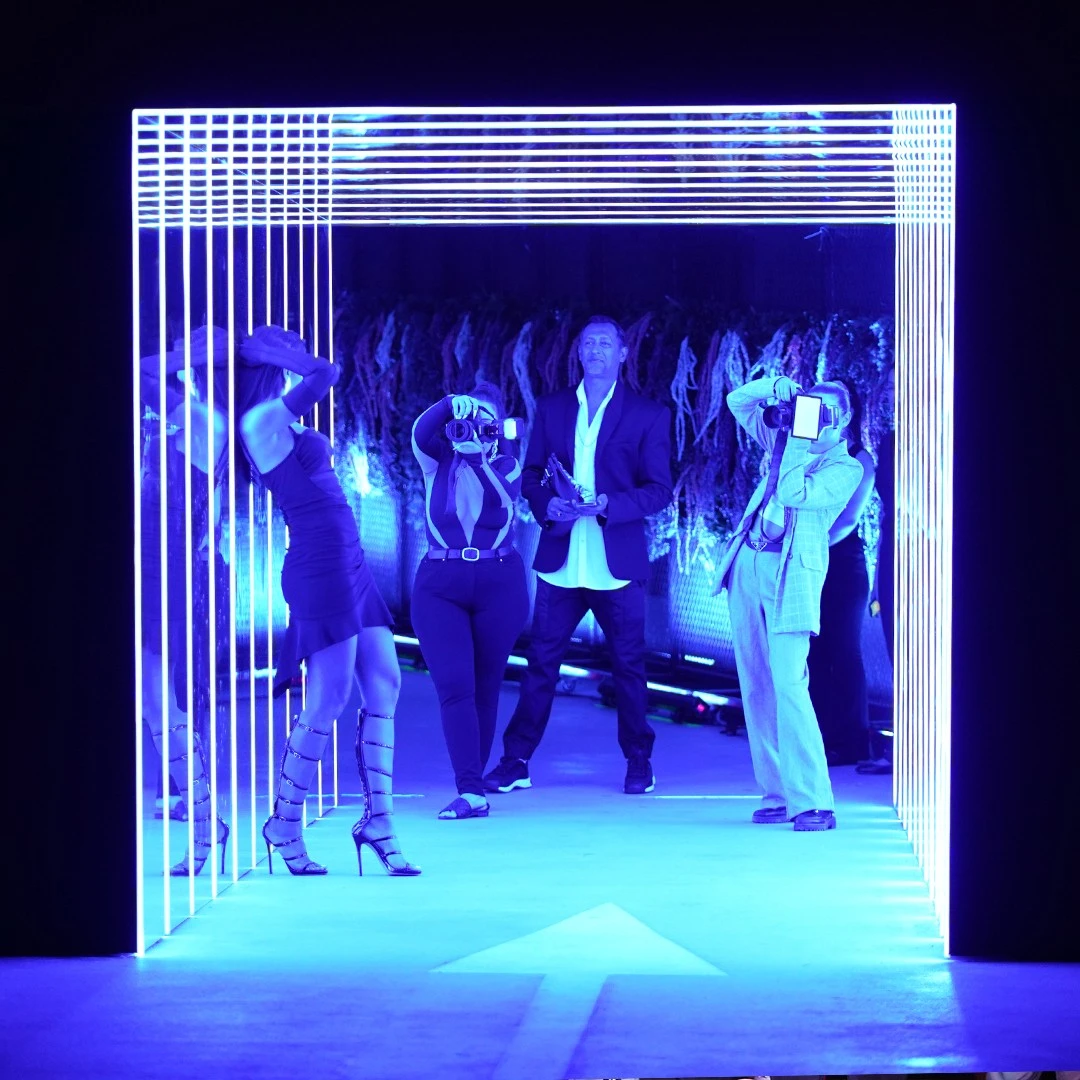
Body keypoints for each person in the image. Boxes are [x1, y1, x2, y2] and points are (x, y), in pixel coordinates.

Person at [235, 324, 419, 877]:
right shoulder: (259, 420)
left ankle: (379, 821)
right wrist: (269, 348)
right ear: (264, 357)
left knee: (385, 680)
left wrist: (275, 351)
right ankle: (285, 821)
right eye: (284, 343)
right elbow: (325, 372)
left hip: (350, 561)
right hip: (321, 567)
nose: (297, 348)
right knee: (329, 696)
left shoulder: (276, 413)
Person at [483, 315, 673, 796]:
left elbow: (659, 492)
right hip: (562, 558)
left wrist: (611, 505)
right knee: (541, 665)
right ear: (579, 353)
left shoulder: (648, 415)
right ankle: (516, 760)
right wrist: (550, 502)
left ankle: (638, 761)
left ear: (623, 353)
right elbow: (531, 478)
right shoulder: (552, 408)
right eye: (589, 343)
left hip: (617, 562)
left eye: (606, 343)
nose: (596, 351)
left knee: (629, 667)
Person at [713, 375, 862, 831]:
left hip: (790, 578)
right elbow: (738, 402)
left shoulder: (846, 468)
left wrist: (800, 435)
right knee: (755, 683)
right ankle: (776, 792)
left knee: (789, 683)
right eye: (808, 407)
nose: (811, 418)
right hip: (748, 564)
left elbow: (794, 493)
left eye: (824, 412)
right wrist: (777, 387)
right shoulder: (784, 437)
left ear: (844, 420)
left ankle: (814, 800)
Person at [409, 385, 529, 820]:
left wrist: (478, 455)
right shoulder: (435, 458)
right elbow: (420, 431)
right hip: (441, 584)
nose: (473, 429)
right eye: (467, 421)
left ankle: (473, 783)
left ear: (497, 428)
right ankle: (471, 789)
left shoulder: (508, 464)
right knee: (455, 685)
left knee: (486, 685)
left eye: (484, 422)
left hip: (500, 581)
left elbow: (502, 497)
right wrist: (446, 405)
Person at [139, 324, 230, 876]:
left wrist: (182, 352)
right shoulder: (181, 422)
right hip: (153, 570)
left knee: (162, 706)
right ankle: (202, 821)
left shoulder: (202, 421)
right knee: (154, 705)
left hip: (169, 576)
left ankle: (202, 825)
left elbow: (139, 372)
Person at [806, 379, 877, 766]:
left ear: (847, 414)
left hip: (843, 564)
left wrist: (806, 545)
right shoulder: (808, 451)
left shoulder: (859, 458)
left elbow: (848, 520)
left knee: (844, 651)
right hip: (809, 560)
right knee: (813, 650)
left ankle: (854, 741)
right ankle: (820, 737)